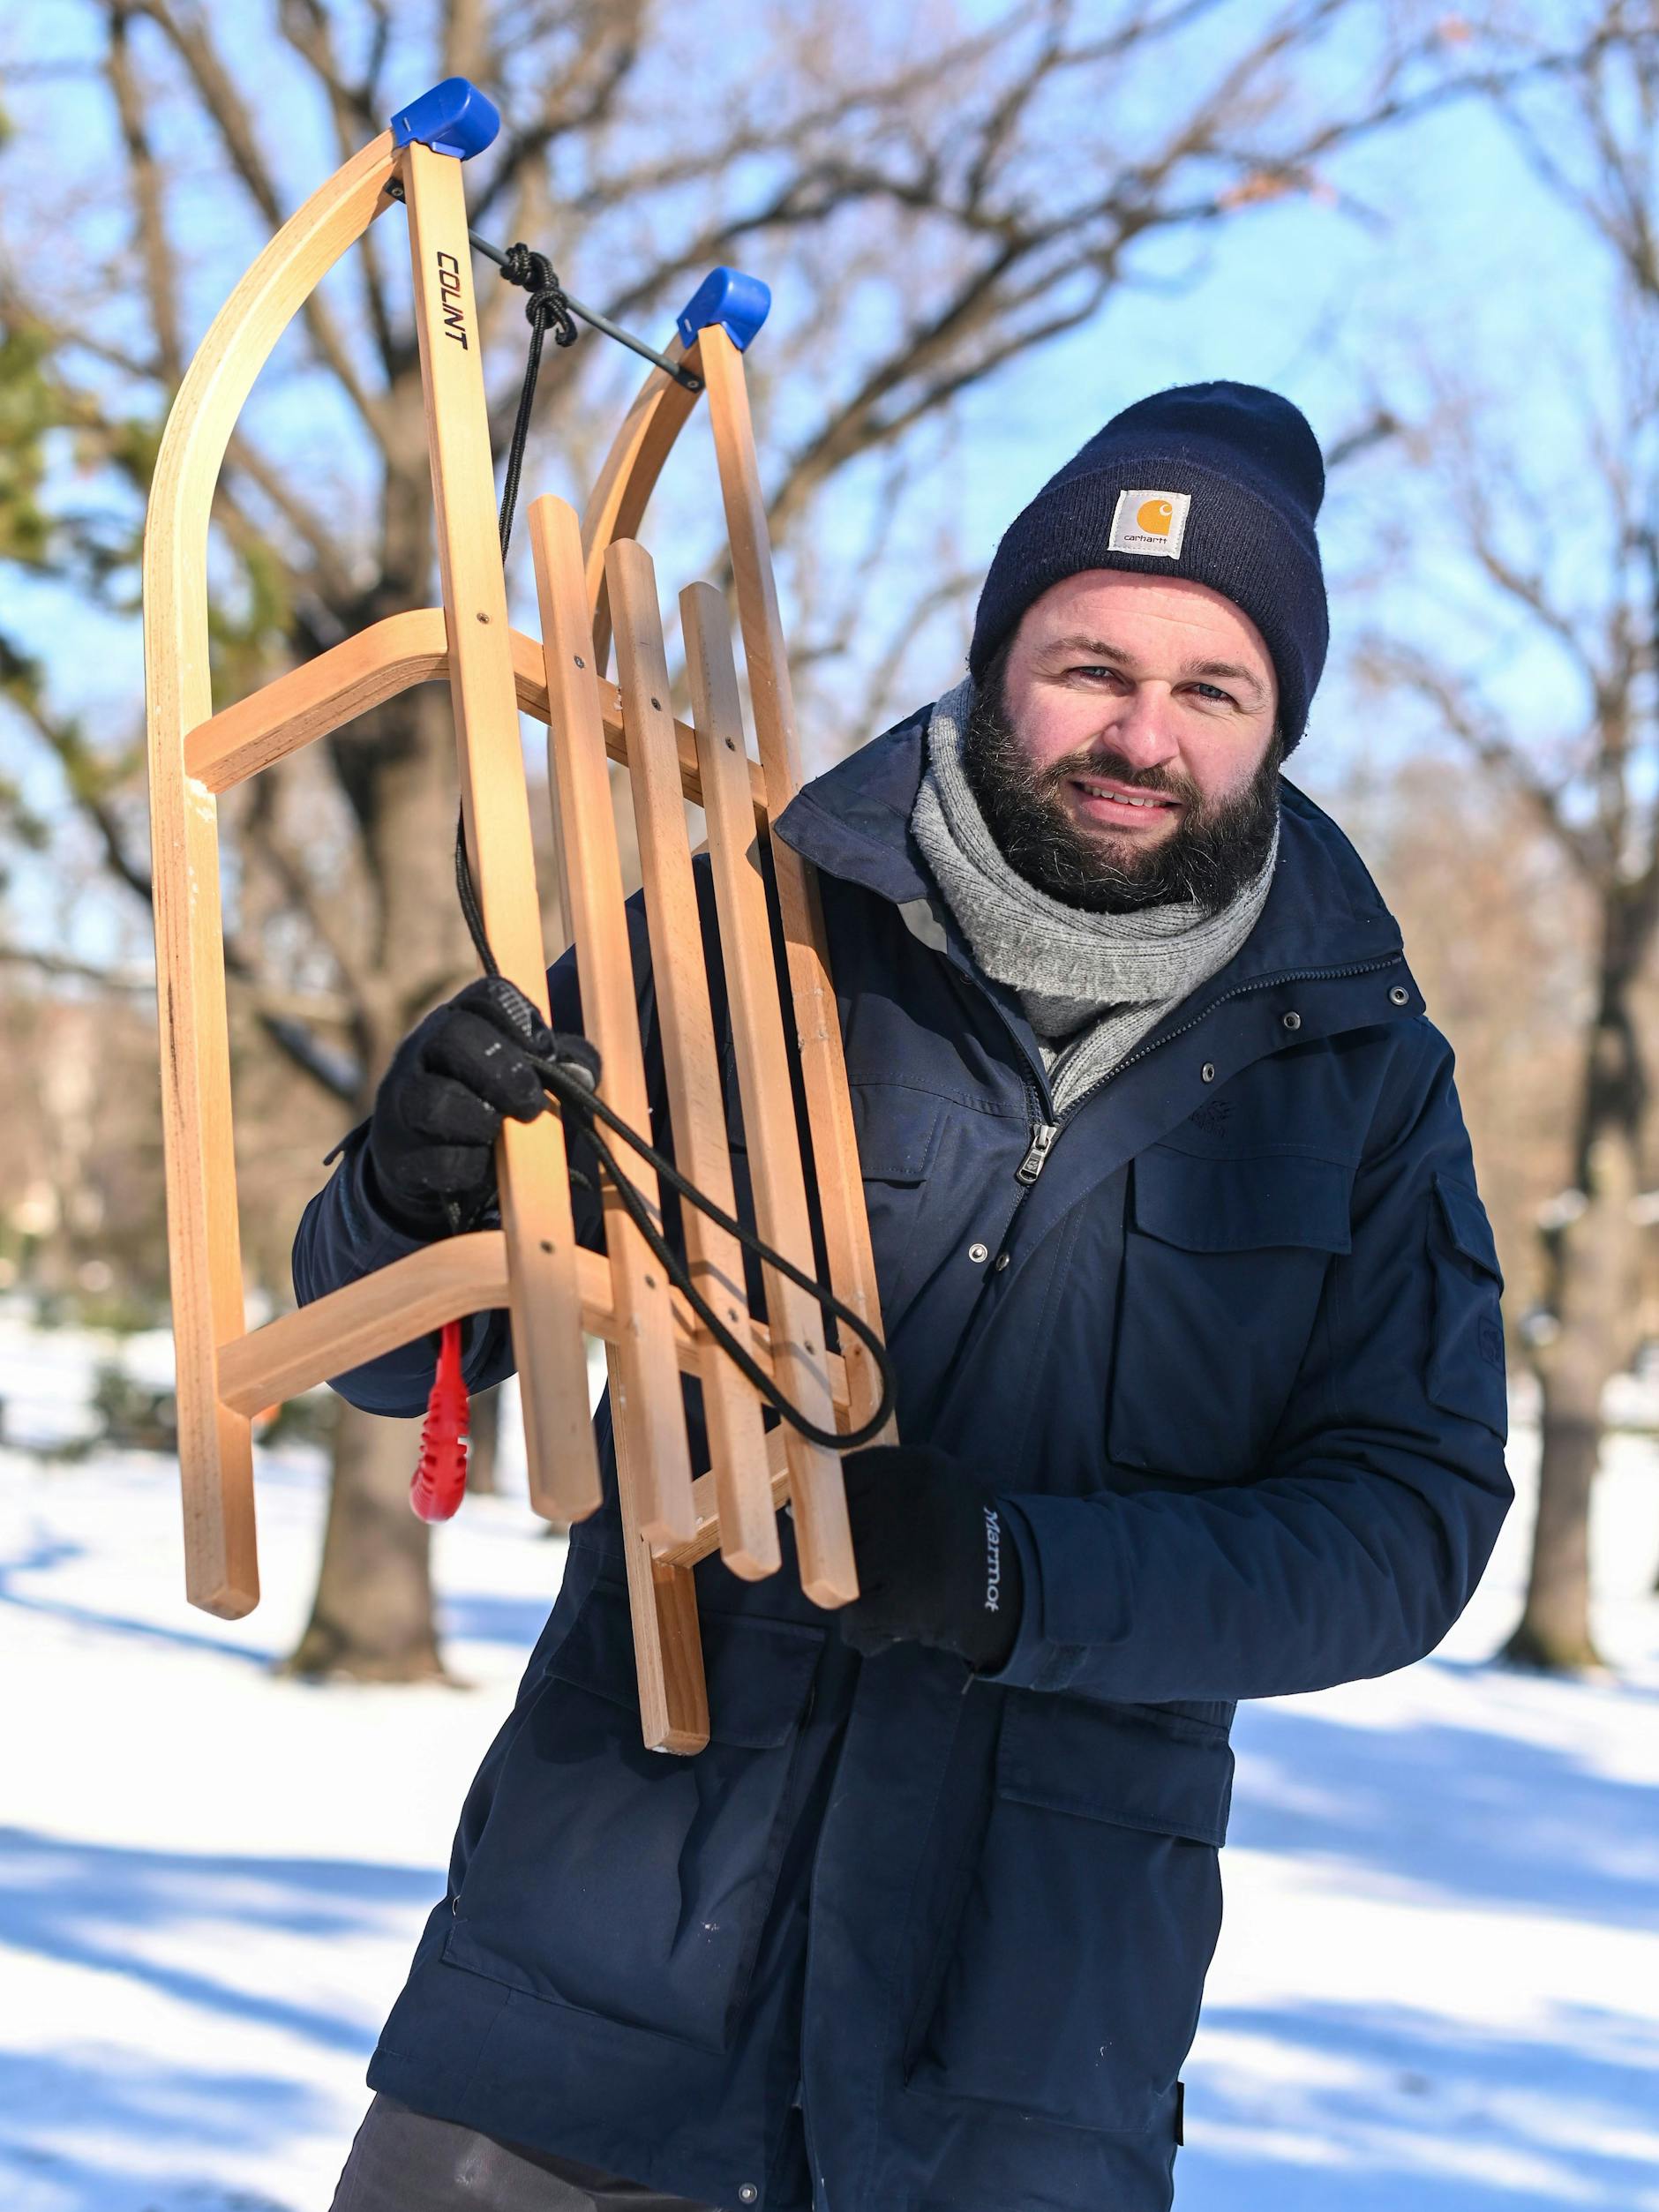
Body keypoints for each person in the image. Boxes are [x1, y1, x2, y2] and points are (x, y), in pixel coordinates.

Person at [299, 383, 1513, 2212]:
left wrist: (1021, 1577)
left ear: (1279, 725)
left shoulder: (1355, 1076)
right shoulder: (732, 939)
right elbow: (410, 1365)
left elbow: (1404, 1530)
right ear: (996, 660)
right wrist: (412, 1187)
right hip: (577, 2021)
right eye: (1091, 667)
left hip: (1008, 2086)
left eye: (1212, 690)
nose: (1142, 736)